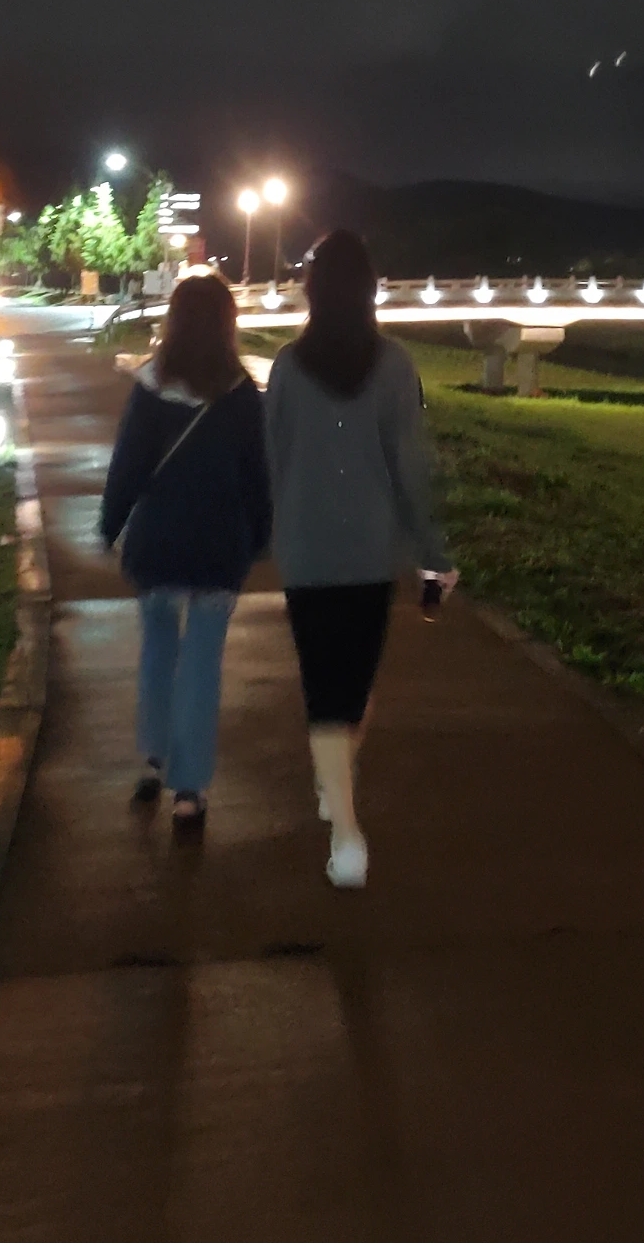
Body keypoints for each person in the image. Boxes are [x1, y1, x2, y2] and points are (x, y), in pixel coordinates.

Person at [265, 229, 457, 888]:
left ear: (313, 291)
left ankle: (342, 819)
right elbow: (411, 470)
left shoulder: (287, 367)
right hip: (373, 553)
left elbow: (271, 457)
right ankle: (341, 800)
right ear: (370, 290)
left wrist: (272, 530)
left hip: (305, 552)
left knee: (323, 690)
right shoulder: (396, 366)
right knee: (355, 687)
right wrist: (432, 554)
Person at [99, 272, 270, 835]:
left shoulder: (150, 388)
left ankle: (152, 759)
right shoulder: (241, 395)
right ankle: (189, 791)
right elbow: (258, 478)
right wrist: (261, 536)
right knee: (201, 663)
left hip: (159, 543)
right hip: (219, 547)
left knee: (157, 651)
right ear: (227, 325)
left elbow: (128, 466)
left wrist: (109, 525)